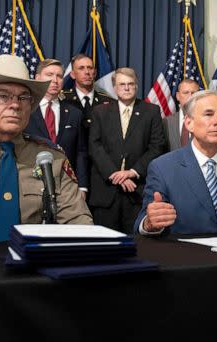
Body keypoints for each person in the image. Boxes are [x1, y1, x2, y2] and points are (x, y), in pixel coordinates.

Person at [0, 54, 92, 244]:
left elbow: (79, 223)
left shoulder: (52, 159)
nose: (15, 104)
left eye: (23, 97)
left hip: (31, 270)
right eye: (3, 96)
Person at [134, 90, 217, 235]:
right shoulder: (163, 167)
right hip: (187, 253)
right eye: (208, 114)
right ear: (189, 123)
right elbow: (142, 224)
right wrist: (150, 223)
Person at [88, 67, 165, 233]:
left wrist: (132, 172)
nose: (127, 88)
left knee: (137, 245)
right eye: (122, 84)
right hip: (106, 192)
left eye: (131, 84)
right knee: (103, 245)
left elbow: (157, 146)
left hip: (136, 192)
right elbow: (94, 146)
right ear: (115, 88)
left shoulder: (151, 111)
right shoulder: (100, 112)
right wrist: (117, 175)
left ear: (136, 86)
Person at [24, 59, 89, 196]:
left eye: (59, 76)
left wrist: (82, 187)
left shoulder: (74, 113)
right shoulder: (25, 110)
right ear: (37, 78)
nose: (55, 80)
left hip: (66, 186)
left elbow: (80, 152)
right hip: (29, 184)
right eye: (49, 75)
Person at [62, 54, 114, 129]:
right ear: (73, 75)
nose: (87, 72)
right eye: (81, 68)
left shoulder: (108, 101)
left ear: (95, 73)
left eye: (90, 68)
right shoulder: (63, 99)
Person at [163, 79, 200, 151]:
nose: (190, 96)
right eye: (186, 93)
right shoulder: (166, 122)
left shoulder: (206, 121)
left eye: (194, 93)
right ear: (178, 96)